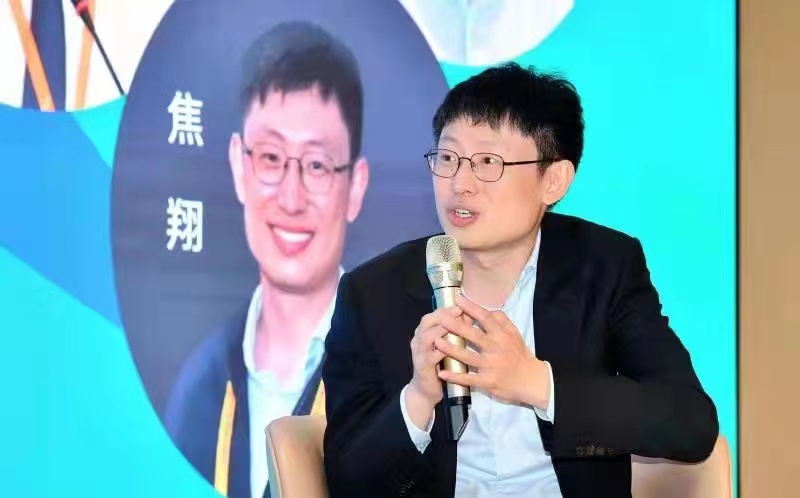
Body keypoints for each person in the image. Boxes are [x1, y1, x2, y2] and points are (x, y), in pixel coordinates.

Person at [322, 62, 718, 497]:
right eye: (448, 158)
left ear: (553, 181)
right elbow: (345, 480)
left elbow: (690, 423)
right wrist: (418, 397)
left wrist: (535, 382)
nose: (460, 184)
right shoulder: (372, 293)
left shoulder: (604, 266)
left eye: (487, 162)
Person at [165, 21, 369, 498]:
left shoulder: (392, 372)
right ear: (239, 166)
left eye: (317, 164)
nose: (291, 199)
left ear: (355, 186)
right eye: (272, 159)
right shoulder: (198, 388)